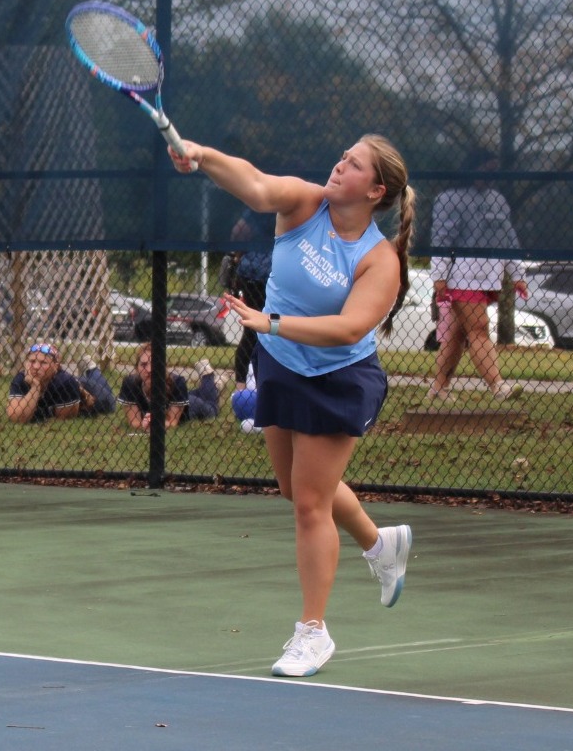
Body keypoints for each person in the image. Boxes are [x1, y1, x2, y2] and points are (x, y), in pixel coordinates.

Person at [170, 132, 415, 679]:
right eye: (343, 154)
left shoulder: (380, 261)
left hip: (338, 377)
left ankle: (313, 632)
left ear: (375, 190)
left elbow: (350, 326)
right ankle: (381, 545)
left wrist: (270, 322)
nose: (340, 163)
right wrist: (203, 156)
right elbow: (256, 186)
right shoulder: (305, 203)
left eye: (353, 164)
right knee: (299, 489)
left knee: (309, 502)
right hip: (281, 364)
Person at [428, 151, 528, 400]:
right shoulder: (450, 199)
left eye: (494, 171)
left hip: (489, 277)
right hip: (460, 277)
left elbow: (508, 239)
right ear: (473, 168)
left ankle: (438, 388)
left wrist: (517, 274)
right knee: (479, 327)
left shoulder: (497, 200)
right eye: (486, 169)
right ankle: (498, 386)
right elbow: (441, 239)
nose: (490, 176)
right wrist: (439, 277)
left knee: (458, 335)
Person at [227, 207, 276, 392]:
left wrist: (240, 254)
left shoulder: (264, 200)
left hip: (255, 272)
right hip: (261, 273)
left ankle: (243, 388)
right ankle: (246, 388)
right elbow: (239, 230)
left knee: (253, 331)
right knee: (261, 329)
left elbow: (238, 232)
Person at [6, 343, 115, 424]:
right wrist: (35, 387)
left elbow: (63, 418)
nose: (35, 367)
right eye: (32, 361)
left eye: (43, 362)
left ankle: (92, 369)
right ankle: (85, 373)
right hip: (75, 382)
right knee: (78, 380)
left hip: (95, 393)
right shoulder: (21, 378)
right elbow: (17, 418)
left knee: (104, 391)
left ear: (55, 366)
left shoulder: (65, 382)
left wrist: (35, 411)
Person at [119, 347, 220, 429]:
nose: (149, 370)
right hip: (178, 398)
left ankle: (207, 375)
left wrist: (154, 424)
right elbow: (134, 423)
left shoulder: (177, 382)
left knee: (212, 409)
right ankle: (214, 387)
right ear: (137, 368)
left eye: (155, 364)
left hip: (191, 406)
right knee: (194, 394)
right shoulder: (129, 383)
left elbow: (172, 423)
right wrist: (145, 425)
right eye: (144, 365)